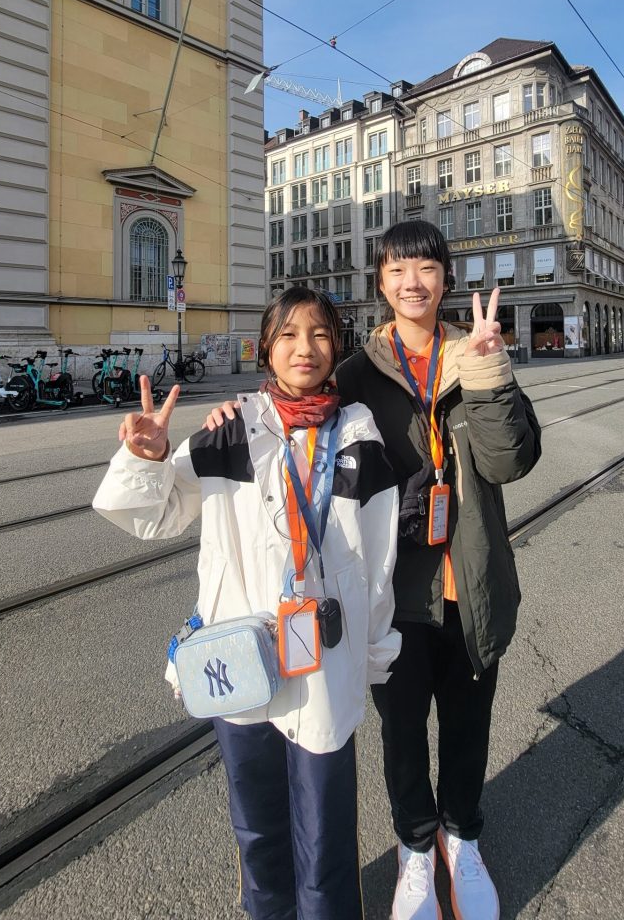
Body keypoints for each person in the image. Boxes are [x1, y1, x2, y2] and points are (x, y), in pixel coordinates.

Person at [206, 220, 541, 919]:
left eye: (426, 269)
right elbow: (295, 420)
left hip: (472, 578)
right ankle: (416, 847)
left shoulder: (478, 352)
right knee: (401, 732)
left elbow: (511, 461)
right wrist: (234, 417)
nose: (412, 283)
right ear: (381, 283)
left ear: (446, 279)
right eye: (397, 270)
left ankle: (463, 838)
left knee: (468, 724)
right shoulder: (356, 374)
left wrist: (488, 371)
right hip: (392, 594)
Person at [93, 286, 401, 920]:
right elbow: (153, 516)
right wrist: (147, 456)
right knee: (257, 829)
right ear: (266, 348)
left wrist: (372, 656)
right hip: (239, 657)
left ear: (336, 347)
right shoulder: (231, 429)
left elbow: (379, 560)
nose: (304, 348)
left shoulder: (358, 434)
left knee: (325, 834)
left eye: (319, 334)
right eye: (287, 335)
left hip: (323, 662)